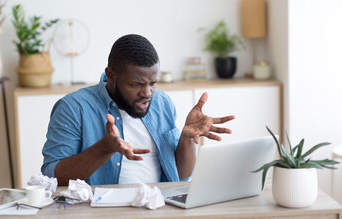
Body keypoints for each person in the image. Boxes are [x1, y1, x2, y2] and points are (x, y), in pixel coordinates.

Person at [41, 34, 235, 186]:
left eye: (153, 83)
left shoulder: (162, 103)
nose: (147, 93)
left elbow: (181, 176)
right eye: (136, 85)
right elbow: (53, 176)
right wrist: (105, 148)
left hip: (160, 207)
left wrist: (186, 139)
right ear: (110, 75)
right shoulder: (73, 108)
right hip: (101, 214)